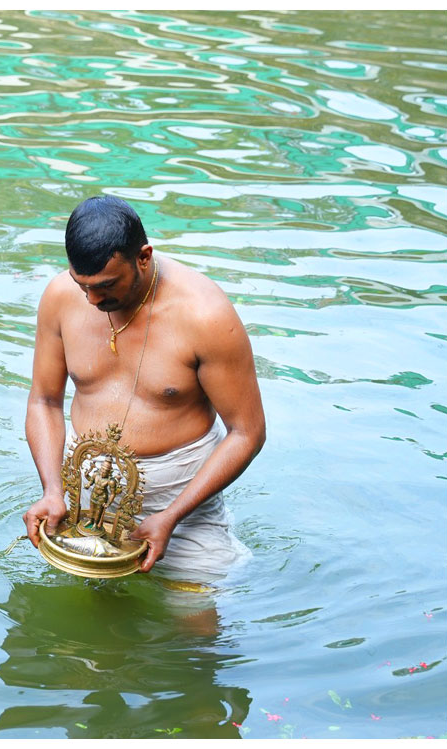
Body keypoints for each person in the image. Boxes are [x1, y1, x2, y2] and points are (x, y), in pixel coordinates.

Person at [22, 195, 265, 579]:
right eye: (81, 285)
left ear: (144, 257)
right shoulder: (60, 298)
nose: (92, 300)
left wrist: (170, 516)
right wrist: (53, 490)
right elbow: (44, 401)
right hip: (84, 499)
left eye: (106, 286)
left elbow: (247, 433)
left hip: (181, 505)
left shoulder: (206, 316)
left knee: (197, 628)